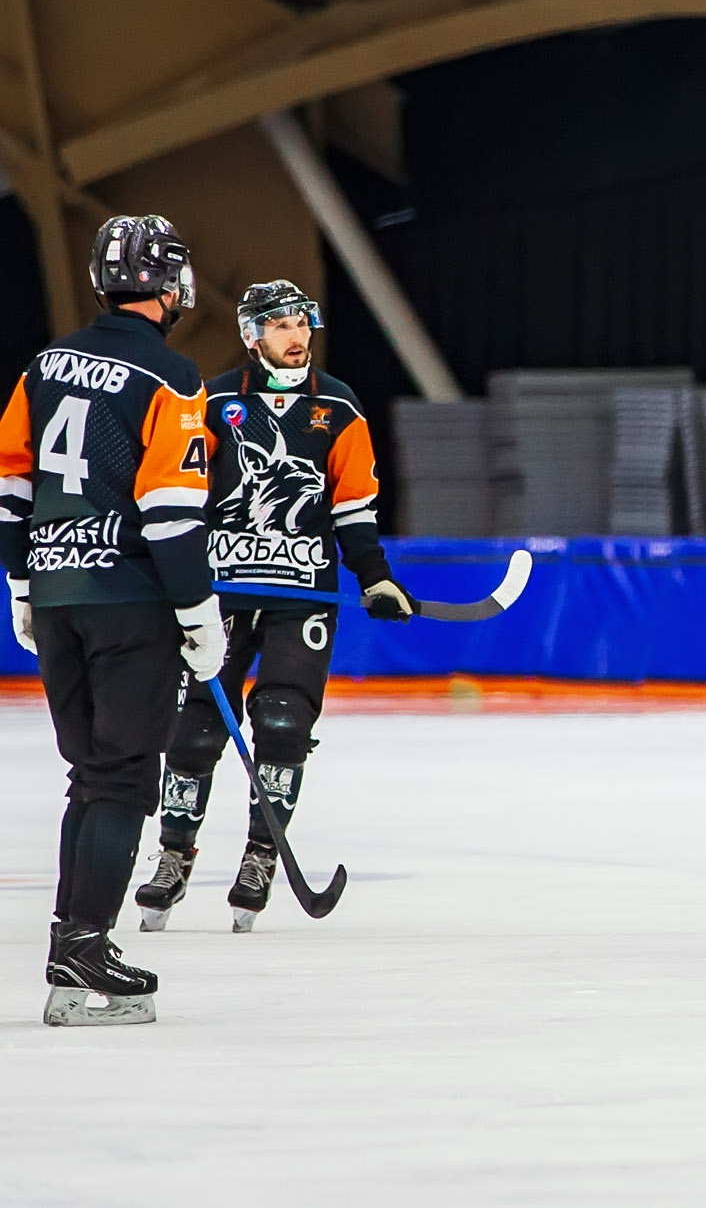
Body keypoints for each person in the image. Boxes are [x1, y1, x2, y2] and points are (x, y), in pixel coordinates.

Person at [133, 280, 411, 934]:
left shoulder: (337, 407)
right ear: (251, 334)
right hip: (221, 596)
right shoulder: (214, 401)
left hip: (301, 595)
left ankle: (261, 853)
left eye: (302, 323)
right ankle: (175, 854)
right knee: (194, 730)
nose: (296, 336)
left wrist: (375, 576)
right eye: (280, 325)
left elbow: (353, 506)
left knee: (283, 725)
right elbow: (182, 493)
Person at [2, 215, 224, 1025]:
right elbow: (169, 514)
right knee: (126, 776)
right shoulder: (171, 376)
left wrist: (23, 582)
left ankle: (74, 939)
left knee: (91, 773)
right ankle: (86, 944)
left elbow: (11, 488)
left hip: (58, 596)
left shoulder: (45, 365)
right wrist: (199, 611)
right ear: (169, 284)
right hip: (130, 600)